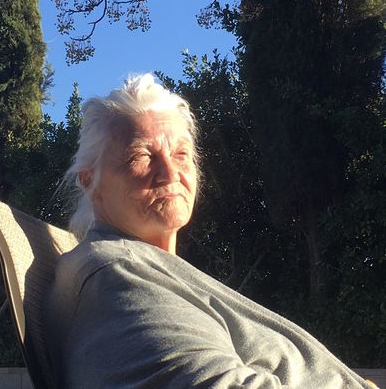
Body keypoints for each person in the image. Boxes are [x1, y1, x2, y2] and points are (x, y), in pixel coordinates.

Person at [45, 73, 375, 389]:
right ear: (90, 181)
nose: (170, 173)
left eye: (181, 154)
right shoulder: (116, 274)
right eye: (142, 156)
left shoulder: (149, 269)